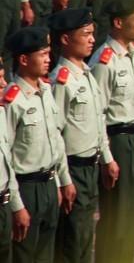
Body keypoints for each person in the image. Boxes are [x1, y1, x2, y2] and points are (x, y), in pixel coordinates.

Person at [48, 7, 115, 263]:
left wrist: (107, 158)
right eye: (85, 34)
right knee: (72, 240)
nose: (91, 39)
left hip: (91, 166)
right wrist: (62, 181)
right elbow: (55, 135)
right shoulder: (61, 81)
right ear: (65, 39)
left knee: (86, 236)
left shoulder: (86, 74)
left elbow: (99, 121)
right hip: (73, 169)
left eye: (92, 34)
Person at [3, 26, 72, 263]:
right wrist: (16, 205)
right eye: (42, 54)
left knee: (46, 255)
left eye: (48, 53)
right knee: (25, 255)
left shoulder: (46, 91)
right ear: (23, 59)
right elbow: (6, 157)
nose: (48, 59)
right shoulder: (13, 101)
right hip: (26, 188)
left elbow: (57, 140)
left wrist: (63, 181)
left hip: (49, 185)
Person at [89, 0, 134, 263]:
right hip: (118, 142)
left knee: (133, 212)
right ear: (117, 22)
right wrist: (107, 157)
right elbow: (98, 114)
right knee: (116, 216)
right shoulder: (104, 61)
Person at [0, 61, 24, 263]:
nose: (3, 84)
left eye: (3, 76)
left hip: (4, 205)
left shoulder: (1, 113)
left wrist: (17, 206)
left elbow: (8, 163)